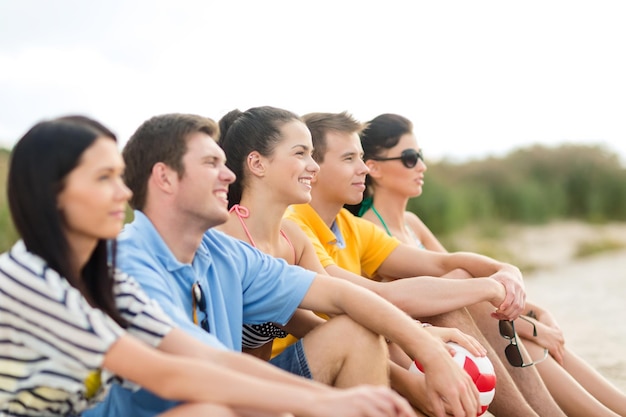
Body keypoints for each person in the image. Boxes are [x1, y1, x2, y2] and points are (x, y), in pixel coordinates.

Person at [0, 115, 416, 417]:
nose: (123, 191)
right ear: (54, 193)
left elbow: (209, 358)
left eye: (120, 176)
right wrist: (317, 401)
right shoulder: (33, 281)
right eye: (103, 178)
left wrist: (329, 401)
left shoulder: (100, 277)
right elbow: (168, 375)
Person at [86, 112, 482, 417]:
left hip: (229, 396)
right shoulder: (126, 262)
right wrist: (320, 402)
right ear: (165, 178)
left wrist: (426, 349)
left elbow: (343, 295)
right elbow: (197, 369)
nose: (228, 174)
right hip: (188, 403)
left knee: (355, 333)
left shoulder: (223, 254)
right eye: (211, 163)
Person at [285, 111, 573, 417]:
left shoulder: (348, 224)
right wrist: (488, 287)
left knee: (457, 284)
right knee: (452, 296)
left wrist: (505, 271)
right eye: (349, 159)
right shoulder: (294, 225)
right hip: (323, 362)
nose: (362, 168)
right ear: (314, 168)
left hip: (370, 351)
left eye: (361, 157)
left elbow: (441, 264)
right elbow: (378, 297)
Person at [215, 106, 489, 416]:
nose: (313, 167)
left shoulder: (291, 238)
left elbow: (324, 317)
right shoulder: (224, 239)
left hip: (271, 381)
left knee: (358, 327)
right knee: (355, 330)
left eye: (313, 155)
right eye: (301, 154)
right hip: (226, 394)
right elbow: (343, 304)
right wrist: (423, 348)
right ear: (257, 163)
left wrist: (419, 342)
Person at [353, 112, 626, 417]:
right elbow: (451, 294)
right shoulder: (370, 231)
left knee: (535, 339)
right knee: (530, 341)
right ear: (373, 168)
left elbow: (463, 283)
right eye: (409, 158)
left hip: (471, 327)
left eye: (420, 155)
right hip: (425, 340)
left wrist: (535, 314)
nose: (421, 166)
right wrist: (531, 327)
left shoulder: (412, 223)